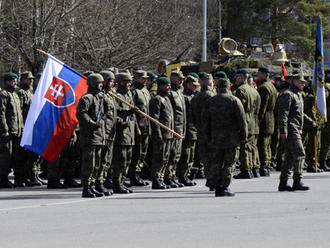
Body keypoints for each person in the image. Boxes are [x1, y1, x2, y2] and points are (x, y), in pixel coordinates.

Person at [202, 76, 247, 197]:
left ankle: (217, 186)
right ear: (228, 87)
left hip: (216, 137)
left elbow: (205, 122)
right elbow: (242, 121)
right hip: (231, 138)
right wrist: (243, 136)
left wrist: (207, 137)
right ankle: (225, 186)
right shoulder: (234, 100)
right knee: (229, 163)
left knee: (216, 162)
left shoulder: (210, 101)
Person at [277, 74, 315, 191]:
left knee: (289, 157)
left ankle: (283, 183)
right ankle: (297, 181)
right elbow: (283, 114)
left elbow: (299, 113)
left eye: (304, 82)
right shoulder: (287, 95)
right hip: (291, 129)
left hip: (297, 128)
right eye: (301, 82)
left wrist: (311, 121)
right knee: (300, 154)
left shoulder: (297, 95)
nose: (304, 84)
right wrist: (283, 131)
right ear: (294, 82)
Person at [76, 73, 107, 198]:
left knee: (97, 163)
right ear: (94, 84)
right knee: (89, 163)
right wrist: (92, 123)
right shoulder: (87, 98)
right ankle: (86, 187)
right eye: (100, 83)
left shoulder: (100, 97)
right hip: (90, 135)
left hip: (99, 135)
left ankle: (93, 185)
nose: (102, 85)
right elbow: (81, 114)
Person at [111, 72, 138, 194]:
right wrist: (124, 117)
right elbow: (113, 114)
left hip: (130, 132)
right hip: (121, 133)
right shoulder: (115, 96)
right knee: (120, 160)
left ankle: (121, 181)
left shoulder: (129, 95)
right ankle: (116, 182)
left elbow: (133, 115)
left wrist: (136, 127)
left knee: (127, 159)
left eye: (129, 82)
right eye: (125, 82)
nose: (128, 84)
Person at [232, 69, 260, 179]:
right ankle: (254, 168)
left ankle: (246, 169)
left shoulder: (241, 90)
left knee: (244, 147)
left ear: (243, 77)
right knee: (252, 146)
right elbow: (258, 108)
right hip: (254, 121)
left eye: (238, 76)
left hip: (246, 120)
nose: (236, 79)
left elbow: (240, 109)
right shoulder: (254, 90)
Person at [191, 72, 216, 190]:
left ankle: (209, 178)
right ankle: (214, 179)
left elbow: (193, 116)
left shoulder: (196, 97)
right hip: (212, 131)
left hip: (200, 130)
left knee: (205, 157)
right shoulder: (212, 96)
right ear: (211, 82)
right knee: (215, 156)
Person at [149, 76, 174, 189]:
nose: (168, 87)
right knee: (159, 157)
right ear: (160, 86)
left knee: (165, 157)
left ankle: (161, 177)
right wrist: (157, 133)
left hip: (168, 133)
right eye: (166, 85)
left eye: (169, 85)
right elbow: (154, 118)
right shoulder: (156, 99)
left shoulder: (167, 99)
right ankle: (156, 178)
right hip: (161, 134)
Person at [0, 72, 24, 188]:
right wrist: (5, 129)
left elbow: (18, 114)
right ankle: (3, 179)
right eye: (13, 80)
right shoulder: (3, 94)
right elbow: (1, 113)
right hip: (8, 131)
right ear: (7, 82)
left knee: (16, 156)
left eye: (16, 80)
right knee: (6, 156)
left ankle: (18, 179)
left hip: (17, 130)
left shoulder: (15, 95)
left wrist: (21, 128)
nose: (15, 82)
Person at [129, 70, 151, 186]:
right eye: (143, 78)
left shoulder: (145, 91)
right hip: (139, 126)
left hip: (147, 126)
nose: (145, 80)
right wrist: (136, 127)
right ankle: (133, 175)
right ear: (136, 78)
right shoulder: (133, 91)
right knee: (137, 152)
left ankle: (139, 172)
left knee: (143, 152)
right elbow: (133, 112)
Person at [176, 75, 199, 185]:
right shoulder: (184, 97)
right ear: (188, 84)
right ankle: (182, 175)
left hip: (193, 129)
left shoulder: (192, 96)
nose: (195, 88)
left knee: (191, 154)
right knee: (185, 154)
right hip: (187, 128)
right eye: (193, 85)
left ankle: (187, 174)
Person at [167, 71, 188, 187]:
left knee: (177, 155)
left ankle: (172, 175)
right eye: (179, 79)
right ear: (173, 80)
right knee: (172, 153)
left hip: (181, 127)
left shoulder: (180, 93)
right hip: (174, 128)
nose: (181, 82)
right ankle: (168, 176)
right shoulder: (170, 94)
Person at [257, 67, 278, 176]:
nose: (258, 75)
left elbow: (262, 107)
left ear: (265, 74)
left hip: (265, 119)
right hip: (271, 118)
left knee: (263, 144)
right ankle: (268, 163)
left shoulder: (264, 88)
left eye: (259, 73)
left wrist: (258, 120)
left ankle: (264, 166)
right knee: (268, 143)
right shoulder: (272, 86)